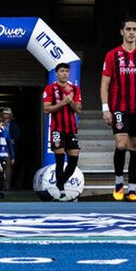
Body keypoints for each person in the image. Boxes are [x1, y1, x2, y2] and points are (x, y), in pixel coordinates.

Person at [98, 20, 136, 201]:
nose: (131, 32)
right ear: (122, 32)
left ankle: (132, 189)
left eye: (134, 29)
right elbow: (104, 84)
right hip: (119, 107)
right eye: (128, 29)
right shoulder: (112, 55)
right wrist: (105, 108)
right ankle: (119, 183)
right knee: (121, 144)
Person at [42, 62, 82, 200]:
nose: (64, 73)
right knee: (59, 161)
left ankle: (60, 183)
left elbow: (78, 109)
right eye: (62, 71)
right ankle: (61, 191)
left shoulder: (74, 89)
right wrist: (63, 102)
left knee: (73, 162)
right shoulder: (50, 88)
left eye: (66, 71)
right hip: (57, 129)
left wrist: (70, 101)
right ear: (57, 73)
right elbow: (46, 109)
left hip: (71, 129)